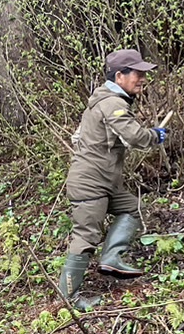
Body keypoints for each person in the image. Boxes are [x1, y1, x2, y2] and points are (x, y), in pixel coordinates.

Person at [57, 48, 168, 312]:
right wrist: (155, 135)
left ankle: (111, 259)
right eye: (137, 73)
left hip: (102, 182)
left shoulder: (105, 101)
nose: (142, 78)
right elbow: (136, 137)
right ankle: (69, 300)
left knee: (132, 207)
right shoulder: (111, 103)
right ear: (120, 76)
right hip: (91, 183)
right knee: (85, 237)